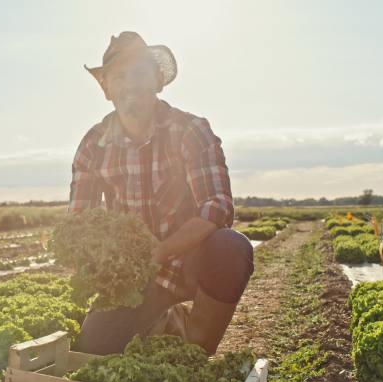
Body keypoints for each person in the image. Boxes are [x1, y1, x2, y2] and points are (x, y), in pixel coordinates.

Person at [69, 31, 254, 356]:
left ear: (157, 79)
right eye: (120, 76)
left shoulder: (190, 130)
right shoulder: (92, 146)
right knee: (94, 348)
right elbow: (79, 223)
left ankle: (196, 349)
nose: (131, 84)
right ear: (106, 88)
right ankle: (165, 322)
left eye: (140, 72)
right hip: (135, 276)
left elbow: (218, 205)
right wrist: (100, 268)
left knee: (231, 248)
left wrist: (162, 250)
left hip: (189, 260)